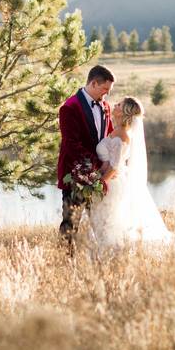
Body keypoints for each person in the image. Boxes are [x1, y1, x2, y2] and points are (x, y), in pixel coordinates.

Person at [86, 96, 175, 257]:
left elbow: (115, 166)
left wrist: (99, 184)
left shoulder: (122, 136)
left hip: (111, 184)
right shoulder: (116, 131)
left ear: (124, 112)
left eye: (119, 104)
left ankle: (111, 255)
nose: (115, 104)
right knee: (104, 221)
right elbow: (109, 162)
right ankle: (105, 254)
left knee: (109, 221)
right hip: (108, 180)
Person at [56, 64, 114, 252]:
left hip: (100, 176)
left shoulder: (105, 106)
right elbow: (72, 145)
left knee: (101, 222)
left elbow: (109, 135)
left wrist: (113, 162)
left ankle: (102, 259)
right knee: (71, 221)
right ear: (94, 83)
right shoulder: (69, 107)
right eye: (105, 89)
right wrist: (98, 166)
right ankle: (64, 260)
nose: (106, 94)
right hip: (75, 176)